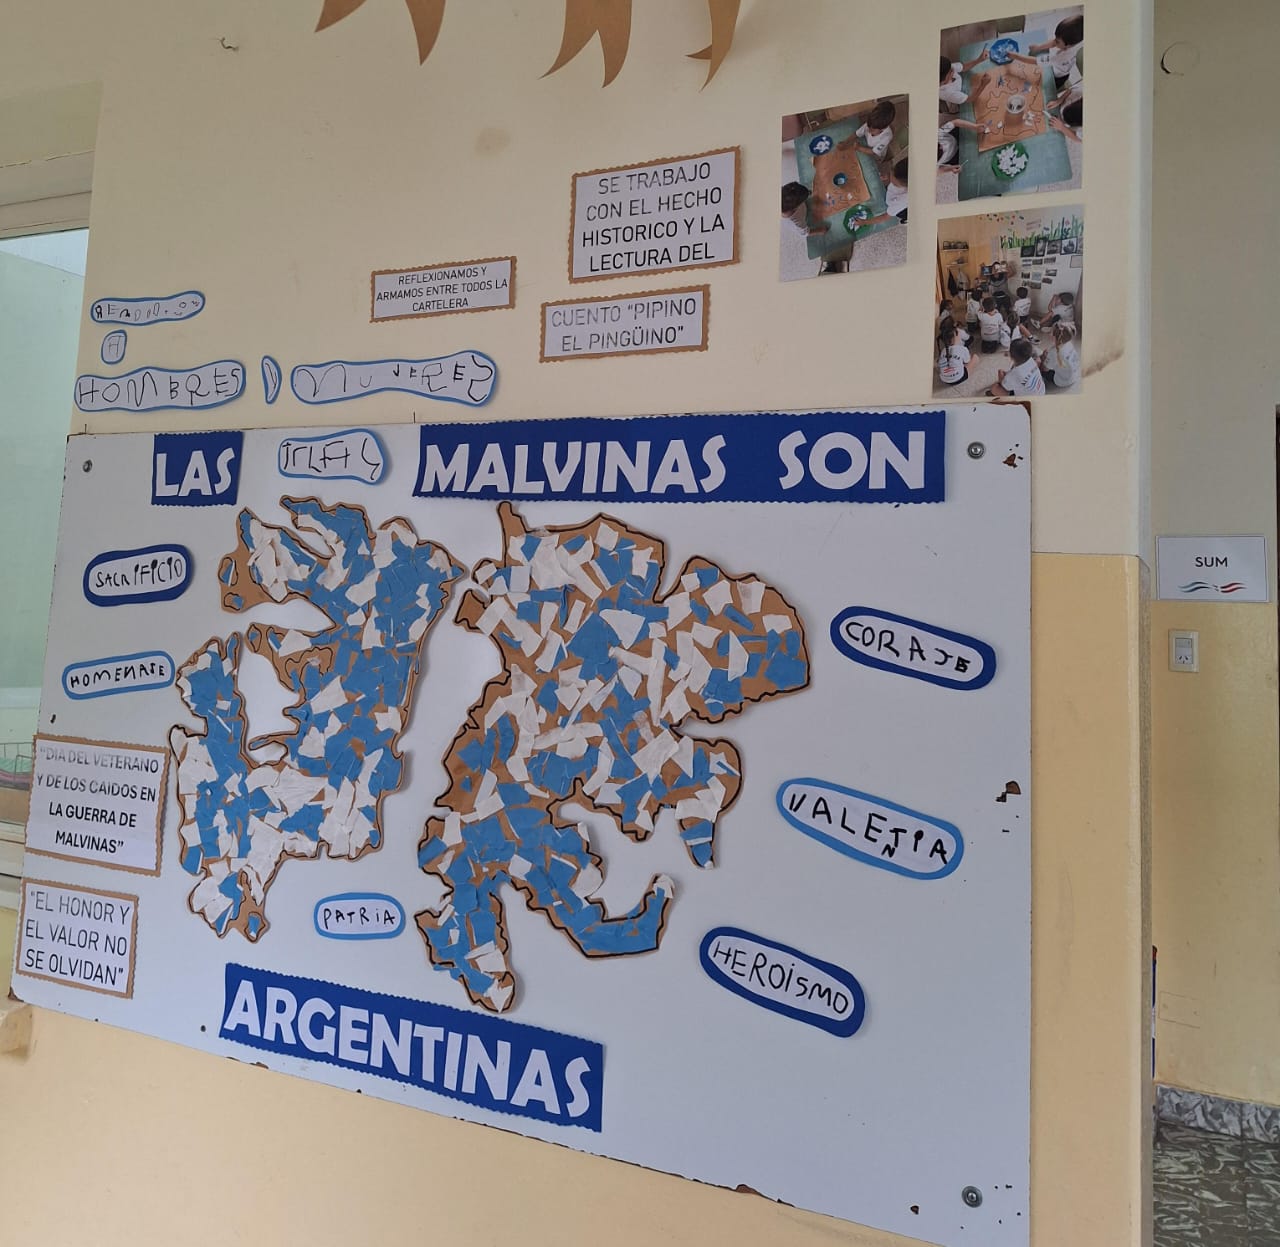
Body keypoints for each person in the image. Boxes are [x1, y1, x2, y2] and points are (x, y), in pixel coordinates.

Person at [1029, 13, 1084, 93]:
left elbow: (1038, 61)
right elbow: (1054, 42)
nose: (1055, 41)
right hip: (1059, 67)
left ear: (1068, 45)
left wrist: (1016, 57)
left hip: (1059, 77)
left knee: (1045, 90)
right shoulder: (1071, 41)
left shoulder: (1064, 57)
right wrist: (1038, 47)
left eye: (1058, 41)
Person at [857, 157, 910, 227]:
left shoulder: (902, 200)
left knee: (897, 212)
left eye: (893, 180)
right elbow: (894, 173)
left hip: (900, 209)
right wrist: (888, 176)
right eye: (892, 173)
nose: (891, 176)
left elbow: (885, 216)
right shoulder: (903, 173)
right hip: (892, 195)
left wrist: (864, 222)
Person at [1039, 323, 1081, 389]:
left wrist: (1043, 358)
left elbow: (1045, 369)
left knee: (1041, 366)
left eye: (1051, 333)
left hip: (1063, 381)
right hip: (1075, 375)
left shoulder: (1054, 352)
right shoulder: (1069, 343)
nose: (1049, 334)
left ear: (1056, 338)